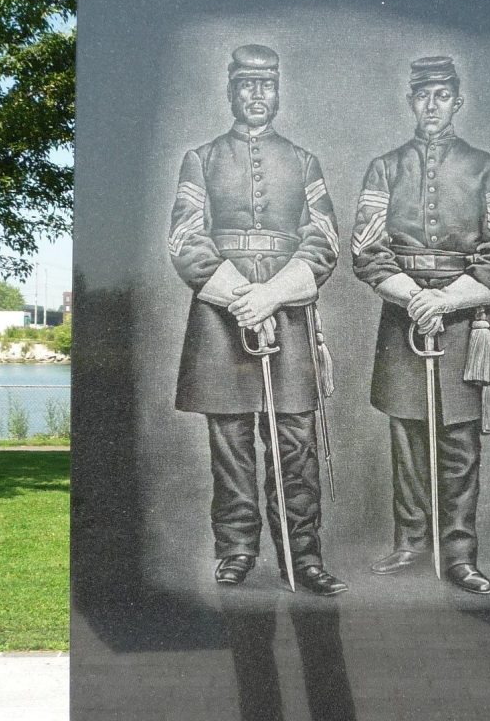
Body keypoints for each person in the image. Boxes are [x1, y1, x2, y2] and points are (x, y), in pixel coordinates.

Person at [169, 44, 346, 596]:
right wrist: (242, 296)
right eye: (246, 84)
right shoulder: (199, 159)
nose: (256, 94)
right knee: (231, 444)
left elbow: (325, 240)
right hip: (220, 320)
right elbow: (184, 240)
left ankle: (304, 555)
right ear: (230, 91)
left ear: (278, 90)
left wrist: (272, 296)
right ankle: (237, 550)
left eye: (266, 84)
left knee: (295, 439)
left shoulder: (304, 161)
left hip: (289, 315)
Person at [351, 56, 490, 594]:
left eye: (441, 95)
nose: (431, 104)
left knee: (460, 444)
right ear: (410, 101)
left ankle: (460, 554)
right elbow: (366, 250)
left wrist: (445, 301)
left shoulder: (485, 167)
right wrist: (411, 296)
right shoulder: (384, 168)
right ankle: (410, 544)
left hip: (464, 320)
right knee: (405, 435)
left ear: (457, 101)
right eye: (422, 95)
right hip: (401, 315)